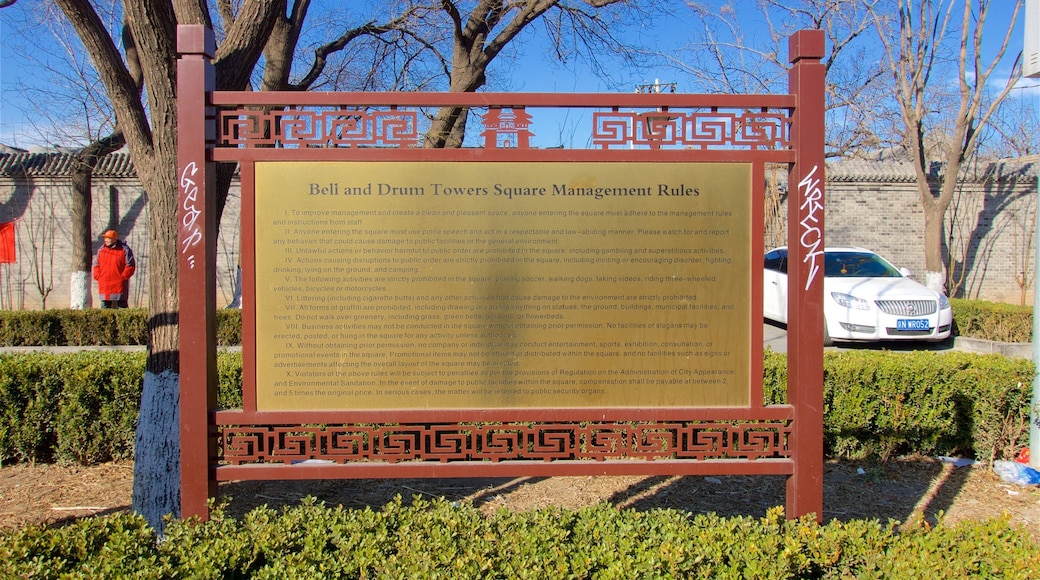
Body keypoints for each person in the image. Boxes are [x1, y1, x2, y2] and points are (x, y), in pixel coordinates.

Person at [92, 229, 136, 308]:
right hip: (104, 283)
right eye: (105, 238)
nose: (106, 240)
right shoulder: (101, 250)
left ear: (115, 239)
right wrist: (98, 276)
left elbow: (130, 266)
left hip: (119, 284)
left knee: (122, 307)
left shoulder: (124, 250)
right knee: (104, 307)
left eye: (109, 238)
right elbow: (96, 265)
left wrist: (122, 277)